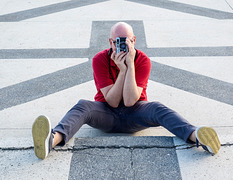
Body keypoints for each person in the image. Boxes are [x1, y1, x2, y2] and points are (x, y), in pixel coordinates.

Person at [32, 22, 220, 159]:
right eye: (116, 42)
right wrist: (122, 71)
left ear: (133, 40)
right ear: (110, 42)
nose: (120, 46)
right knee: (83, 106)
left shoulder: (142, 60)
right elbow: (112, 101)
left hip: (136, 113)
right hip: (106, 113)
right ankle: (51, 141)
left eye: (125, 41)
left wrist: (130, 65)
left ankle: (198, 137)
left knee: (157, 108)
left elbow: (130, 101)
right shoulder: (100, 59)